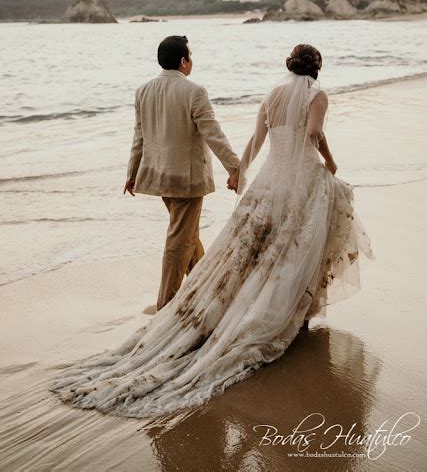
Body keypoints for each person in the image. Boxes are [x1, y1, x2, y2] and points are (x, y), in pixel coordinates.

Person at [50, 43, 375, 418]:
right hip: (273, 179)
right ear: (317, 68)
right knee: (291, 247)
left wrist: (242, 171)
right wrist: (327, 163)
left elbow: (253, 140)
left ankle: (214, 295)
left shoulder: (269, 94)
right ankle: (195, 305)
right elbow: (310, 134)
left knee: (247, 248)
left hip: (247, 179)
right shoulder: (313, 95)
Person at [123, 35, 240, 311]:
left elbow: (138, 137)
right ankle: (166, 303)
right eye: (190, 56)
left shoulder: (143, 91)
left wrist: (132, 173)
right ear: (183, 61)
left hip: (158, 176)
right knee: (180, 238)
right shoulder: (194, 91)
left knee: (187, 235)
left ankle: (208, 293)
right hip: (187, 179)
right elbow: (213, 133)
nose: (191, 61)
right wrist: (236, 168)